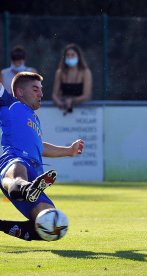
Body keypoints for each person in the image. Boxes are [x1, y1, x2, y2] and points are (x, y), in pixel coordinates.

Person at [0, 72, 84, 241]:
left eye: (41, 90)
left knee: (51, 224)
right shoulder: (9, 103)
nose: (41, 94)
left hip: (35, 172)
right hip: (13, 159)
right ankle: (23, 188)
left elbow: (40, 147)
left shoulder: (34, 119)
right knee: (18, 171)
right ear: (20, 92)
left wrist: (69, 150)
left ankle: (3, 222)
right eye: (35, 89)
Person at [52, 43, 92, 115]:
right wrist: (59, 102)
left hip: (82, 111)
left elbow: (87, 95)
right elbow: (54, 94)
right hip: (63, 111)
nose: (70, 57)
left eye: (72, 55)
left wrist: (72, 101)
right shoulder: (60, 72)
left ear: (78, 57)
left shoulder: (85, 72)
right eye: (67, 55)